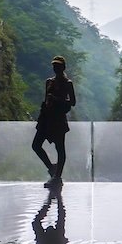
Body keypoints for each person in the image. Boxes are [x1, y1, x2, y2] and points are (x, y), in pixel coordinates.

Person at [32, 55, 76, 188]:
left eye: (57, 65)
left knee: (60, 148)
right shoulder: (49, 82)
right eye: (54, 65)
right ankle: (52, 168)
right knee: (36, 145)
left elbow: (72, 102)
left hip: (58, 119)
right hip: (46, 118)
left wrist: (56, 100)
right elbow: (46, 99)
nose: (55, 68)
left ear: (63, 67)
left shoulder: (68, 83)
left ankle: (57, 176)